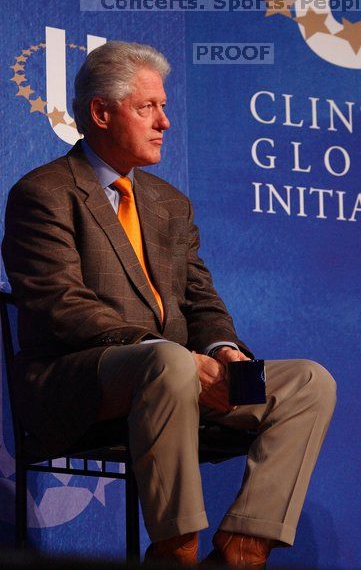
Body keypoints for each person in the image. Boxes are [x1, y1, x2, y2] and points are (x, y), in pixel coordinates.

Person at [2, 41, 336, 567]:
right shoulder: (44, 192)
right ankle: (175, 548)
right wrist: (166, 352)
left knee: (308, 382)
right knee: (170, 361)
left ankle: (244, 547)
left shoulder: (169, 204)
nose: (165, 122)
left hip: (181, 377)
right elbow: (59, 304)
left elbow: (201, 302)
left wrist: (224, 351)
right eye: (147, 108)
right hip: (78, 383)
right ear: (100, 113)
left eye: (164, 106)